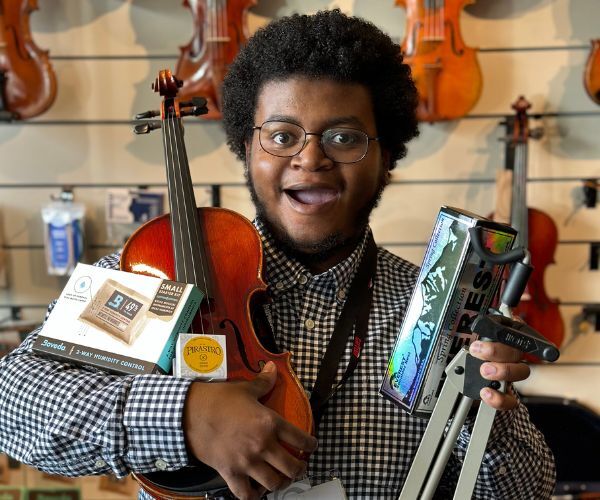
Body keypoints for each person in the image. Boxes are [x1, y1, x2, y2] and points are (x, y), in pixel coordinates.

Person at [0, 9, 555, 500]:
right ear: (247, 148)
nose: (310, 159)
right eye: (282, 135)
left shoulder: (434, 310)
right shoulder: (155, 272)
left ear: (386, 157)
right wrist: (185, 415)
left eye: (343, 138)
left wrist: (484, 414)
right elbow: (14, 398)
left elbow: (527, 489)